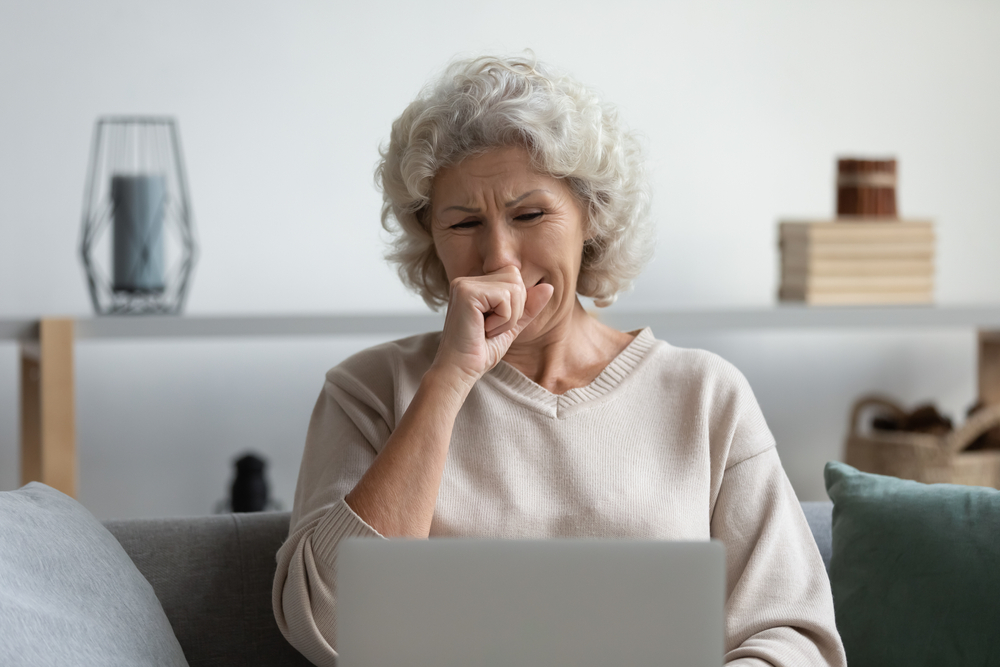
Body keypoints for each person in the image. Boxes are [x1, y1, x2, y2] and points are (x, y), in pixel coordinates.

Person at [272, 54, 846, 667]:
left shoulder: (705, 394)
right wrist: (448, 380)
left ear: (590, 220)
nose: (500, 257)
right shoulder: (368, 391)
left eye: (530, 215)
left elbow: (793, 634)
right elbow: (329, 623)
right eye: (464, 222)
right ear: (431, 243)